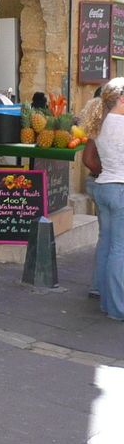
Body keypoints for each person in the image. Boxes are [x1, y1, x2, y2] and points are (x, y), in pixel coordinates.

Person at [79, 78, 124, 320]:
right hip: (120, 189)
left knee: (107, 246)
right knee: (119, 250)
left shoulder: (101, 124)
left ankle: (107, 302)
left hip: (104, 186)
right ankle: (119, 308)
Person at [81, 87, 103, 297]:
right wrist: (107, 172)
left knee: (107, 237)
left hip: (99, 182)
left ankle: (99, 285)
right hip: (105, 183)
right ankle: (101, 286)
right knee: (112, 240)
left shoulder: (98, 124)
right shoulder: (107, 124)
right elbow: (88, 159)